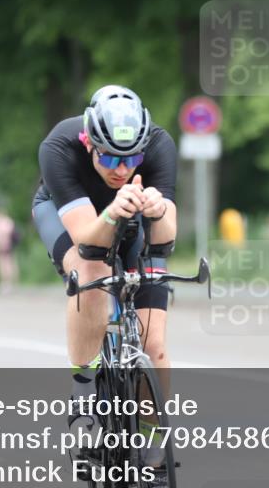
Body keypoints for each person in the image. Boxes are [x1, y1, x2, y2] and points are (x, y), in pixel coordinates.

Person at [32, 85, 177, 440]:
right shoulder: (58, 147)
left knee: (153, 346)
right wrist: (112, 211)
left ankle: (153, 442)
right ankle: (83, 391)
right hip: (68, 216)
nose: (122, 170)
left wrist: (158, 212)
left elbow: (166, 239)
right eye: (111, 159)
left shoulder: (159, 145)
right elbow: (86, 240)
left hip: (132, 216)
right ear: (89, 144)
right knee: (92, 273)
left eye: (132, 160)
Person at [0, 209, 19, 293]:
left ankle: (8, 283)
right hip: (4, 246)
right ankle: (9, 283)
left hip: (5, 245)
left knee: (6, 264)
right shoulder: (7, 222)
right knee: (7, 264)